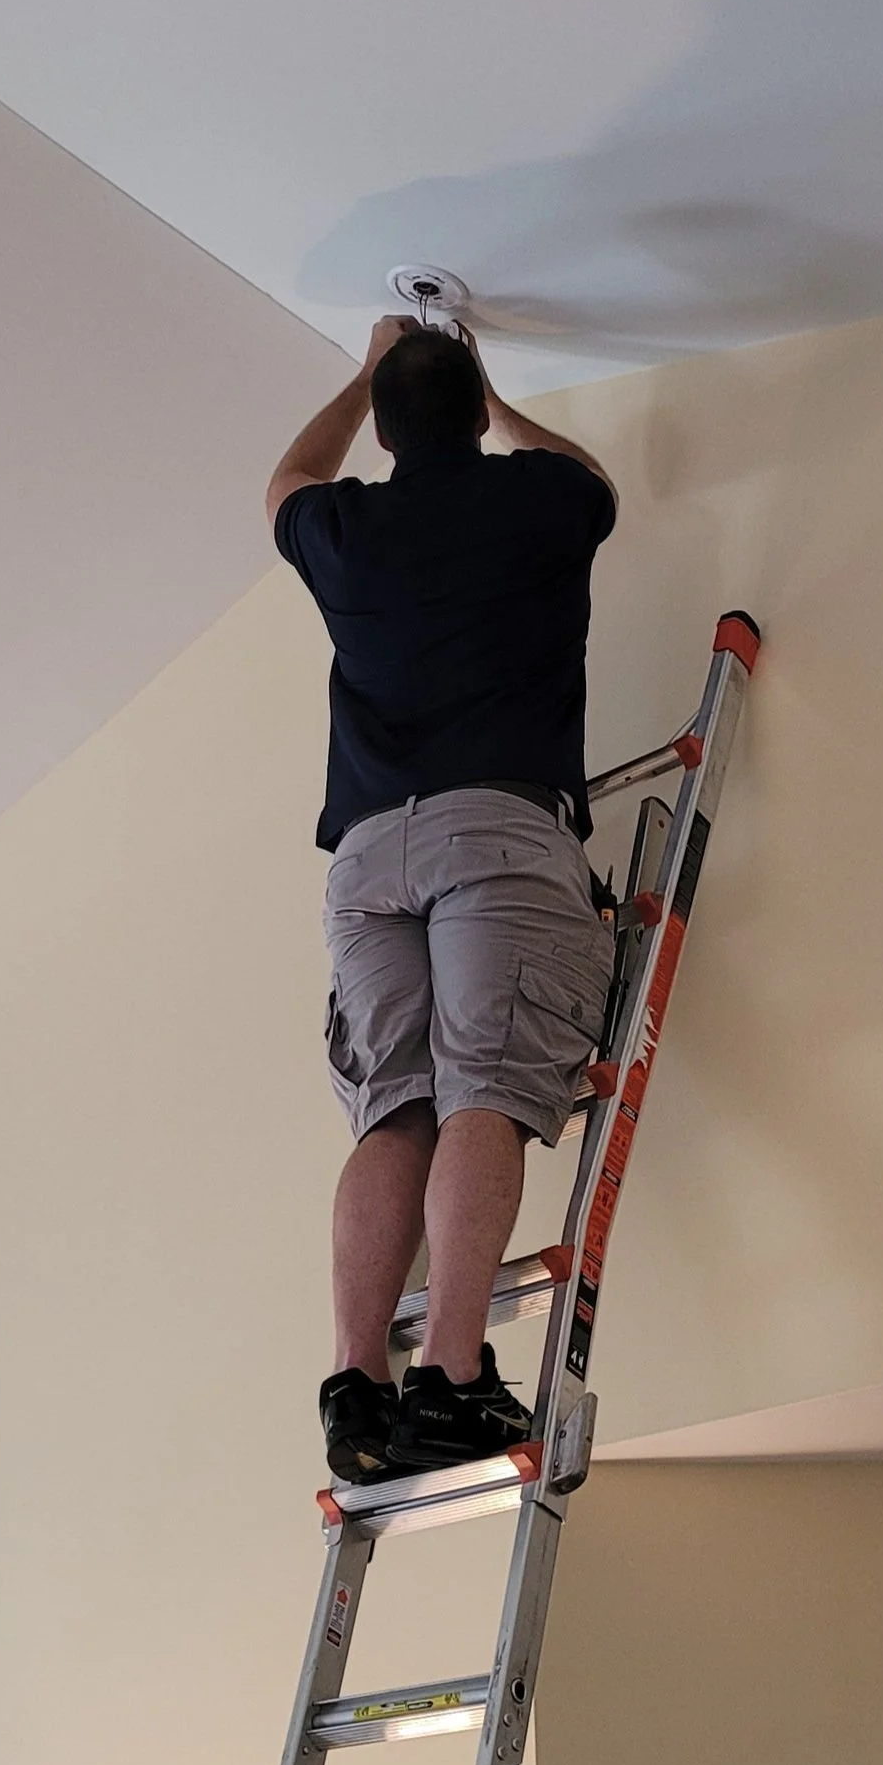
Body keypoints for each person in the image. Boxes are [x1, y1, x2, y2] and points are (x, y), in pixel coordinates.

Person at [269, 317, 620, 1483]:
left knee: (395, 1109)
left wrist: (361, 370)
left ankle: (357, 1381)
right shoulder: (534, 499)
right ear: (475, 411)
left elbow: (287, 479)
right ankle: (453, 1373)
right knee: (487, 1086)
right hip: (495, 832)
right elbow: (588, 474)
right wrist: (493, 389)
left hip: (367, 859)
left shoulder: (345, 526)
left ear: (381, 421)